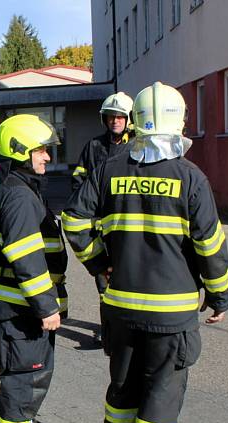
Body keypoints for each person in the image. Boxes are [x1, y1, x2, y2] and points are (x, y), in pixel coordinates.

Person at [62, 82, 228, 423]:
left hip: (119, 307)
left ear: (135, 122)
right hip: (170, 314)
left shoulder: (110, 167)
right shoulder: (191, 177)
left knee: (123, 386)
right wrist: (220, 294)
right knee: (161, 391)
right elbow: (210, 246)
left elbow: (75, 222)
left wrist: (100, 265)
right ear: (181, 123)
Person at [0, 114, 68, 423]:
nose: (47, 157)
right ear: (21, 150)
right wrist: (47, 307)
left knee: (26, 373)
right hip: (20, 308)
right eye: (41, 150)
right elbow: (26, 258)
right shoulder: (19, 195)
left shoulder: (8, 185)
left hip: (9, 302)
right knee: (24, 376)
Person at [72, 91, 134, 343]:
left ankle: (131, 329)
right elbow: (78, 182)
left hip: (128, 227)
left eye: (120, 117)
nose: (115, 121)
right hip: (100, 229)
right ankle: (109, 332)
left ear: (129, 119)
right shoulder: (94, 146)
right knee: (104, 282)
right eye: (110, 117)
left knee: (132, 278)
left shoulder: (138, 145)